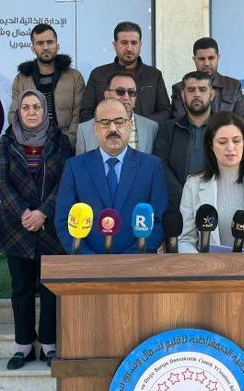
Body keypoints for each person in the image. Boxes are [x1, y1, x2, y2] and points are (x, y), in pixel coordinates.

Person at [0, 90, 73, 369]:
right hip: (16, 226)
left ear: (45, 111)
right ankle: (24, 346)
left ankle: (49, 345)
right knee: (21, 287)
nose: (31, 112)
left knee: (50, 288)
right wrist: (25, 212)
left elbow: (66, 181)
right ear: (18, 111)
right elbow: (1, 182)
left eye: (36, 107)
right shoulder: (6, 141)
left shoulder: (61, 141)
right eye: (25, 107)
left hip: (51, 226)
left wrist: (43, 212)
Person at [55, 98, 168, 254]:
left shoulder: (151, 166)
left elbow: (159, 220)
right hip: (88, 264)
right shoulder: (75, 167)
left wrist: (128, 261)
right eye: (105, 123)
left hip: (136, 263)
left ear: (130, 125)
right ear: (95, 129)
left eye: (119, 121)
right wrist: (90, 260)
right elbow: (64, 220)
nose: (112, 128)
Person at [178, 111, 244, 253]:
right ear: (211, 145)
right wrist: (203, 264)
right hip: (208, 266)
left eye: (236, 141)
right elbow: (185, 239)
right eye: (222, 142)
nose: (230, 148)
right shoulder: (193, 184)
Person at [9, 24, 84, 147]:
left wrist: (68, 142)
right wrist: (29, 143)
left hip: (66, 144)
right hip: (31, 146)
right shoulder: (21, 79)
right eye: (40, 43)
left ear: (57, 46)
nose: (45, 47)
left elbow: (79, 115)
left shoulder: (74, 77)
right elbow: (14, 115)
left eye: (50, 42)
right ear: (33, 49)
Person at [80, 21, 170, 124]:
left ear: (140, 45)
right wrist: (108, 125)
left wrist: (141, 126)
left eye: (134, 43)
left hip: (146, 133)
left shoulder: (154, 75)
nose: (129, 48)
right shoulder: (98, 74)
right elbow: (86, 112)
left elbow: (165, 111)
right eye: (124, 43)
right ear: (115, 45)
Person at [153, 71, 215, 209]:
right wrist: (185, 198)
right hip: (177, 207)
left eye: (202, 89)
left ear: (212, 94)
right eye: (191, 90)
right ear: (183, 95)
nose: (197, 94)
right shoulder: (167, 129)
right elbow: (161, 165)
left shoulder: (224, 129)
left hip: (216, 205)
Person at [75, 72, 158, 155]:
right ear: (107, 95)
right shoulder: (84, 130)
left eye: (131, 92)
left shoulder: (151, 128)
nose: (126, 97)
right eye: (120, 91)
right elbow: (80, 162)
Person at [170, 37, 244, 121]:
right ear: (194, 59)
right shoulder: (180, 88)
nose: (207, 63)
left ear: (218, 57)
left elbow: (241, 121)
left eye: (211, 58)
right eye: (201, 59)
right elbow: (179, 123)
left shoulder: (233, 86)